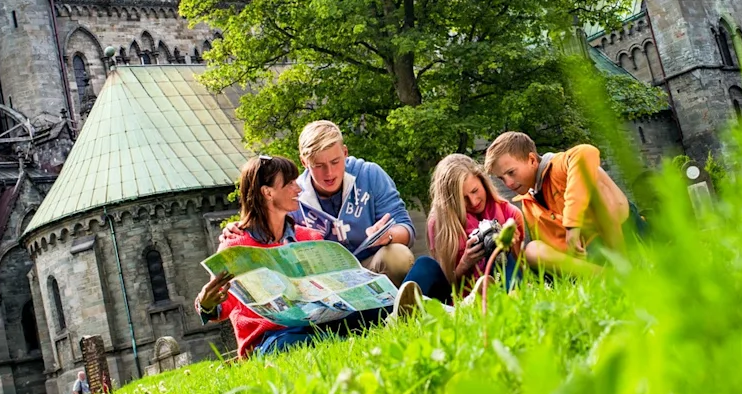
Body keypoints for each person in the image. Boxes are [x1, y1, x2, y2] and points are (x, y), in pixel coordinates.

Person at [195, 155, 403, 357]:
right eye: (289, 183)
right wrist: (207, 303)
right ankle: (349, 340)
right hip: (270, 338)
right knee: (297, 343)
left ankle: (402, 313)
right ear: (268, 192)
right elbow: (221, 307)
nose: (299, 188)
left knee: (382, 307)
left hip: (322, 323)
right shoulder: (236, 246)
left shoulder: (308, 237)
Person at [485, 132, 630, 276]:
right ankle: (607, 275)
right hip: (586, 255)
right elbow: (553, 247)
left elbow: (586, 152)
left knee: (591, 175)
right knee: (532, 249)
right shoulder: (528, 203)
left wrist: (572, 224)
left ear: (532, 160)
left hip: (624, 231)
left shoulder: (559, 165)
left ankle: (623, 263)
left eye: (511, 172)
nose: (508, 183)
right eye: (502, 179)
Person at [293, 121, 416, 288]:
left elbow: (406, 228)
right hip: (326, 280)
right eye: (319, 166)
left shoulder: (370, 174)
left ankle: (391, 310)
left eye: (335, 162)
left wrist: (388, 235)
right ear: (304, 162)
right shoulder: (293, 195)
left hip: (371, 266)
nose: (329, 173)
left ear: (345, 152)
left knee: (398, 256)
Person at [404, 155, 524, 304]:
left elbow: (523, 268)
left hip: (499, 288)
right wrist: (465, 263)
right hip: (456, 299)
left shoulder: (509, 213)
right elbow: (447, 282)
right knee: (424, 264)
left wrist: (509, 244)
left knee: (500, 254)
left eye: (475, 191)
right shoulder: (439, 223)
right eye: (463, 198)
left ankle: (510, 303)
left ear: (483, 182)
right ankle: (396, 315)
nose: (473, 202)